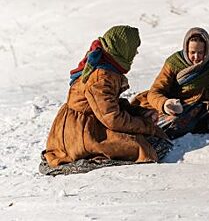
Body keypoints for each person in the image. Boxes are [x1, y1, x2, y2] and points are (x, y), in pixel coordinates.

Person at [40, 25, 169, 176]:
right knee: (143, 147)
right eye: (134, 48)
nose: (136, 53)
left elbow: (108, 106)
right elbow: (112, 118)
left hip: (88, 124)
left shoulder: (105, 65)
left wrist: (138, 112)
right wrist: (146, 126)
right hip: (82, 133)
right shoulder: (102, 75)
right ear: (122, 48)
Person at [132, 27, 209, 139]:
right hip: (174, 105)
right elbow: (155, 91)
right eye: (192, 52)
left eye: (200, 52)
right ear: (185, 49)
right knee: (158, 125)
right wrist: (165, 104)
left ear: (207, 49)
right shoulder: (174, 63)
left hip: (200, 108)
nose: (196, 57)